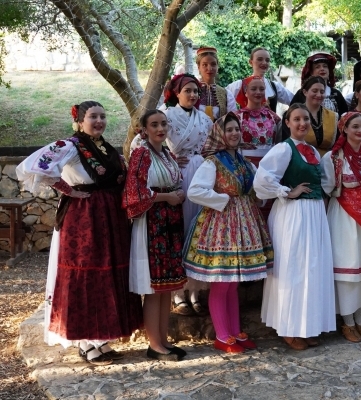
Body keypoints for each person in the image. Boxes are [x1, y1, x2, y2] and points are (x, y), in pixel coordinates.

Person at [16, 101, 143, 365]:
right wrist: (69, 190)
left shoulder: (106, 147)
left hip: (110, 216)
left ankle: (103, 339)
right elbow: (36, 167)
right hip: (85, 216)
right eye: (93, 116)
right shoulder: (70, 146)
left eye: (102, 116)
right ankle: (86, 343)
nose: (99, 121)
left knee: (109, 272)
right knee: (86, 273)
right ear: (80, 120)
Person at [184, 112, 274, 353]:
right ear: (220, 135)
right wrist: (223, 198)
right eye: (229, 130)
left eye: (237, 129)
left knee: (233, 282)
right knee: (222, 283)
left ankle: (234, 331)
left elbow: (257, 189)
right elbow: (195, 191)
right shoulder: (212, 162)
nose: (234, 133)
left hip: (244, 223)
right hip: (221, 226)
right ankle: (222, 335)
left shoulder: (244, 163)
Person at [254, 104, 336, 350]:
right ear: (287, 123)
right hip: (292, 215)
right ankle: (289, 328)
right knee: (293, 269)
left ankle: (307, 326)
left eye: (306, 119)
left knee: (312, 269)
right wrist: (287, 192)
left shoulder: (311, 150)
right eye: (297, 119)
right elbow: (262, 179)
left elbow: (323, 181)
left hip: (314, 214)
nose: (302, 123)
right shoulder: (283, 149)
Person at [123, 110, 187, 361]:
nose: (160, 129)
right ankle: (155, 344)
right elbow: (133, 194)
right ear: (144, 130)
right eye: (154, 125)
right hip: (152, 223)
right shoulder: (141, 154)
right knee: (153, 287)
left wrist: (176, 195)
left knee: (166, 287)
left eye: (163, 124)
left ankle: (163, 340)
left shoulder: (168, 154)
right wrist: (166, 197)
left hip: (170, 221)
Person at [321, 111, 361, 343]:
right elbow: (327, 188)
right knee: (349, 268)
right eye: (355, 127)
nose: (360, 131)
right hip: (344, 218)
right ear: (344, 129)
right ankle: (348, 323)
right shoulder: (333, 158)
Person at [159, 73, 214, 316]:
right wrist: (168, 156)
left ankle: (195, 290)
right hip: (176, 173)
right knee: (179, 229)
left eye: (196, 91)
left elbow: (212, 146)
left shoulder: (205, 118)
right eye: (188, 90)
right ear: (177, 92)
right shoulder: (166, 114)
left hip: (200, 172)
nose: (192, 95)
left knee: (198, 229)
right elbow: (146, 141)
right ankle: (178, 293)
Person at [275, 76, 338, 156]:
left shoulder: (333, 116)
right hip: (299, 161)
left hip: (327, 163)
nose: (319, 95)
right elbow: (286, 143)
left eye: (322, 92)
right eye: (314, 91)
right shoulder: (292, 115)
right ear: (305, 92)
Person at [226, 47, 294, 112]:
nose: (264, 63)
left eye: (267, 60)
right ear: (251, 62)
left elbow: (295, 101)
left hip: (272, 124)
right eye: (260, 59)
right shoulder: (240, 84)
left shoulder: (275, 86)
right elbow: (222, 96)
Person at [194, 47, 237, 121]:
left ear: (217, 66)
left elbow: (232, 120)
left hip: (219, 132)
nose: (210, 68)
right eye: (205, 65)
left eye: (213, 64)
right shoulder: (192, 91)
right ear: (198, 67)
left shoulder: (226, 94)